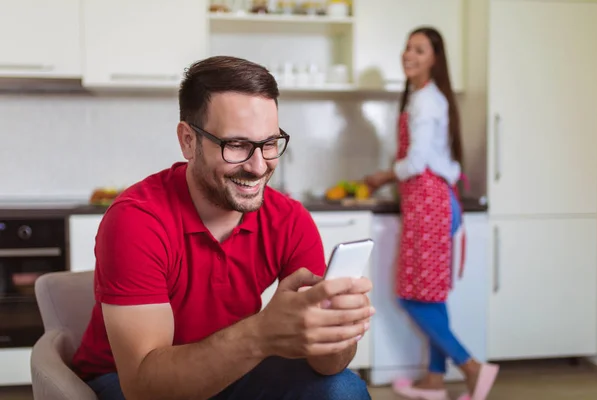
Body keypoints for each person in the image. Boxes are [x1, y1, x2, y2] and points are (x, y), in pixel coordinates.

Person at [71, 55, 374, 400]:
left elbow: (326, 366)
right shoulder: (136, 220)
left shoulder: (289, 220)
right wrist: (261, 334)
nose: (259, 166)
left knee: (343, 389)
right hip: (126, 379)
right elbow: (144, 386)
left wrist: (338, 330)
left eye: (269, 143)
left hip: (235, 364)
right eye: (237, 145)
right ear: (188, 140)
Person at [363, 27, 498, 400]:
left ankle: (472, 367)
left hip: (430, 204)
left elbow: (418, 162)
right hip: (434, 203)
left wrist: (385, 175)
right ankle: (435, 380)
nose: (409, 55)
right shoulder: (424, 98)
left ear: (434, 59)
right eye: (407, 48)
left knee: (412, 296)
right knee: (432, 296)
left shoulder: (426, 101)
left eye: (419, 50)